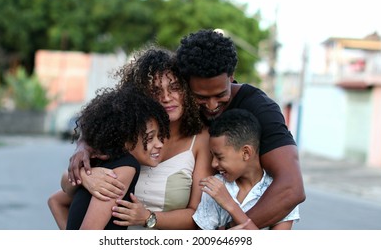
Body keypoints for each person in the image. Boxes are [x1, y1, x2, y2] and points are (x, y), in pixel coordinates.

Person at [62, 46, 213, 229]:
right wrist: (86, 176)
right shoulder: (129, 136)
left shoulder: (201, 139)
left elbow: (198, 216)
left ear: (186, 91)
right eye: (156, 91)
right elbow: (62, 195)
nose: (166, 97)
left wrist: (148, 217)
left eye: (174, 88)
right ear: (141, 95)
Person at [175, 28, 306, 229]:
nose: (211, 106)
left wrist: (230, 233)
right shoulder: (175, 106)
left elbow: (291, 187)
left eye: (220, 95)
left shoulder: (261, 109)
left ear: (231, 76)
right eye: (201, 97)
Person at [47, 85, 170, 230]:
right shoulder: (126, 167)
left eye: (160, 137)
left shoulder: (99, 163)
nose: (160, 144)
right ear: (125, 139)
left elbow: (55, 201)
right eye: (149, 138)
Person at [192, 108, 300, 230]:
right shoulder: (216, 187)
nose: (213, 164)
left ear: (246, 153)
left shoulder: (279, 192)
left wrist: (230, 205)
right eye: (212, 156)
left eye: (219, 157)